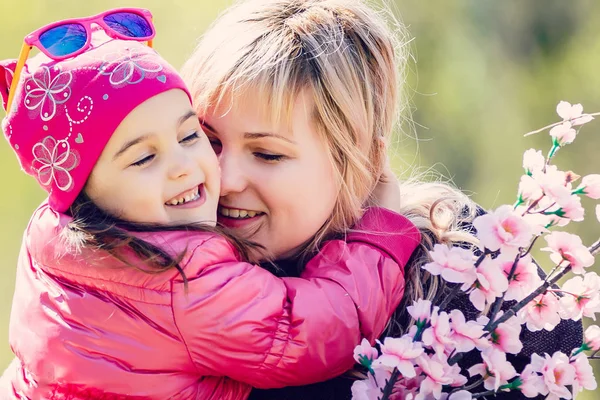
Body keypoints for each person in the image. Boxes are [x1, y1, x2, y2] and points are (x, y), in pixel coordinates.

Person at [0, 9, 422, 399]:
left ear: (364, 160)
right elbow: (326, 329)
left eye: (189, 137)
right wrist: (376, 235)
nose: (212, 174)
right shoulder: (182, 278)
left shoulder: (52, 237)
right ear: (84, 191)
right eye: (213, 139)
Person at [180, 0, 584, 398]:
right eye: (205, 139)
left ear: (363, 160)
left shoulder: (456, 276)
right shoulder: (153, 271)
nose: (225, 179)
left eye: (267, 154)